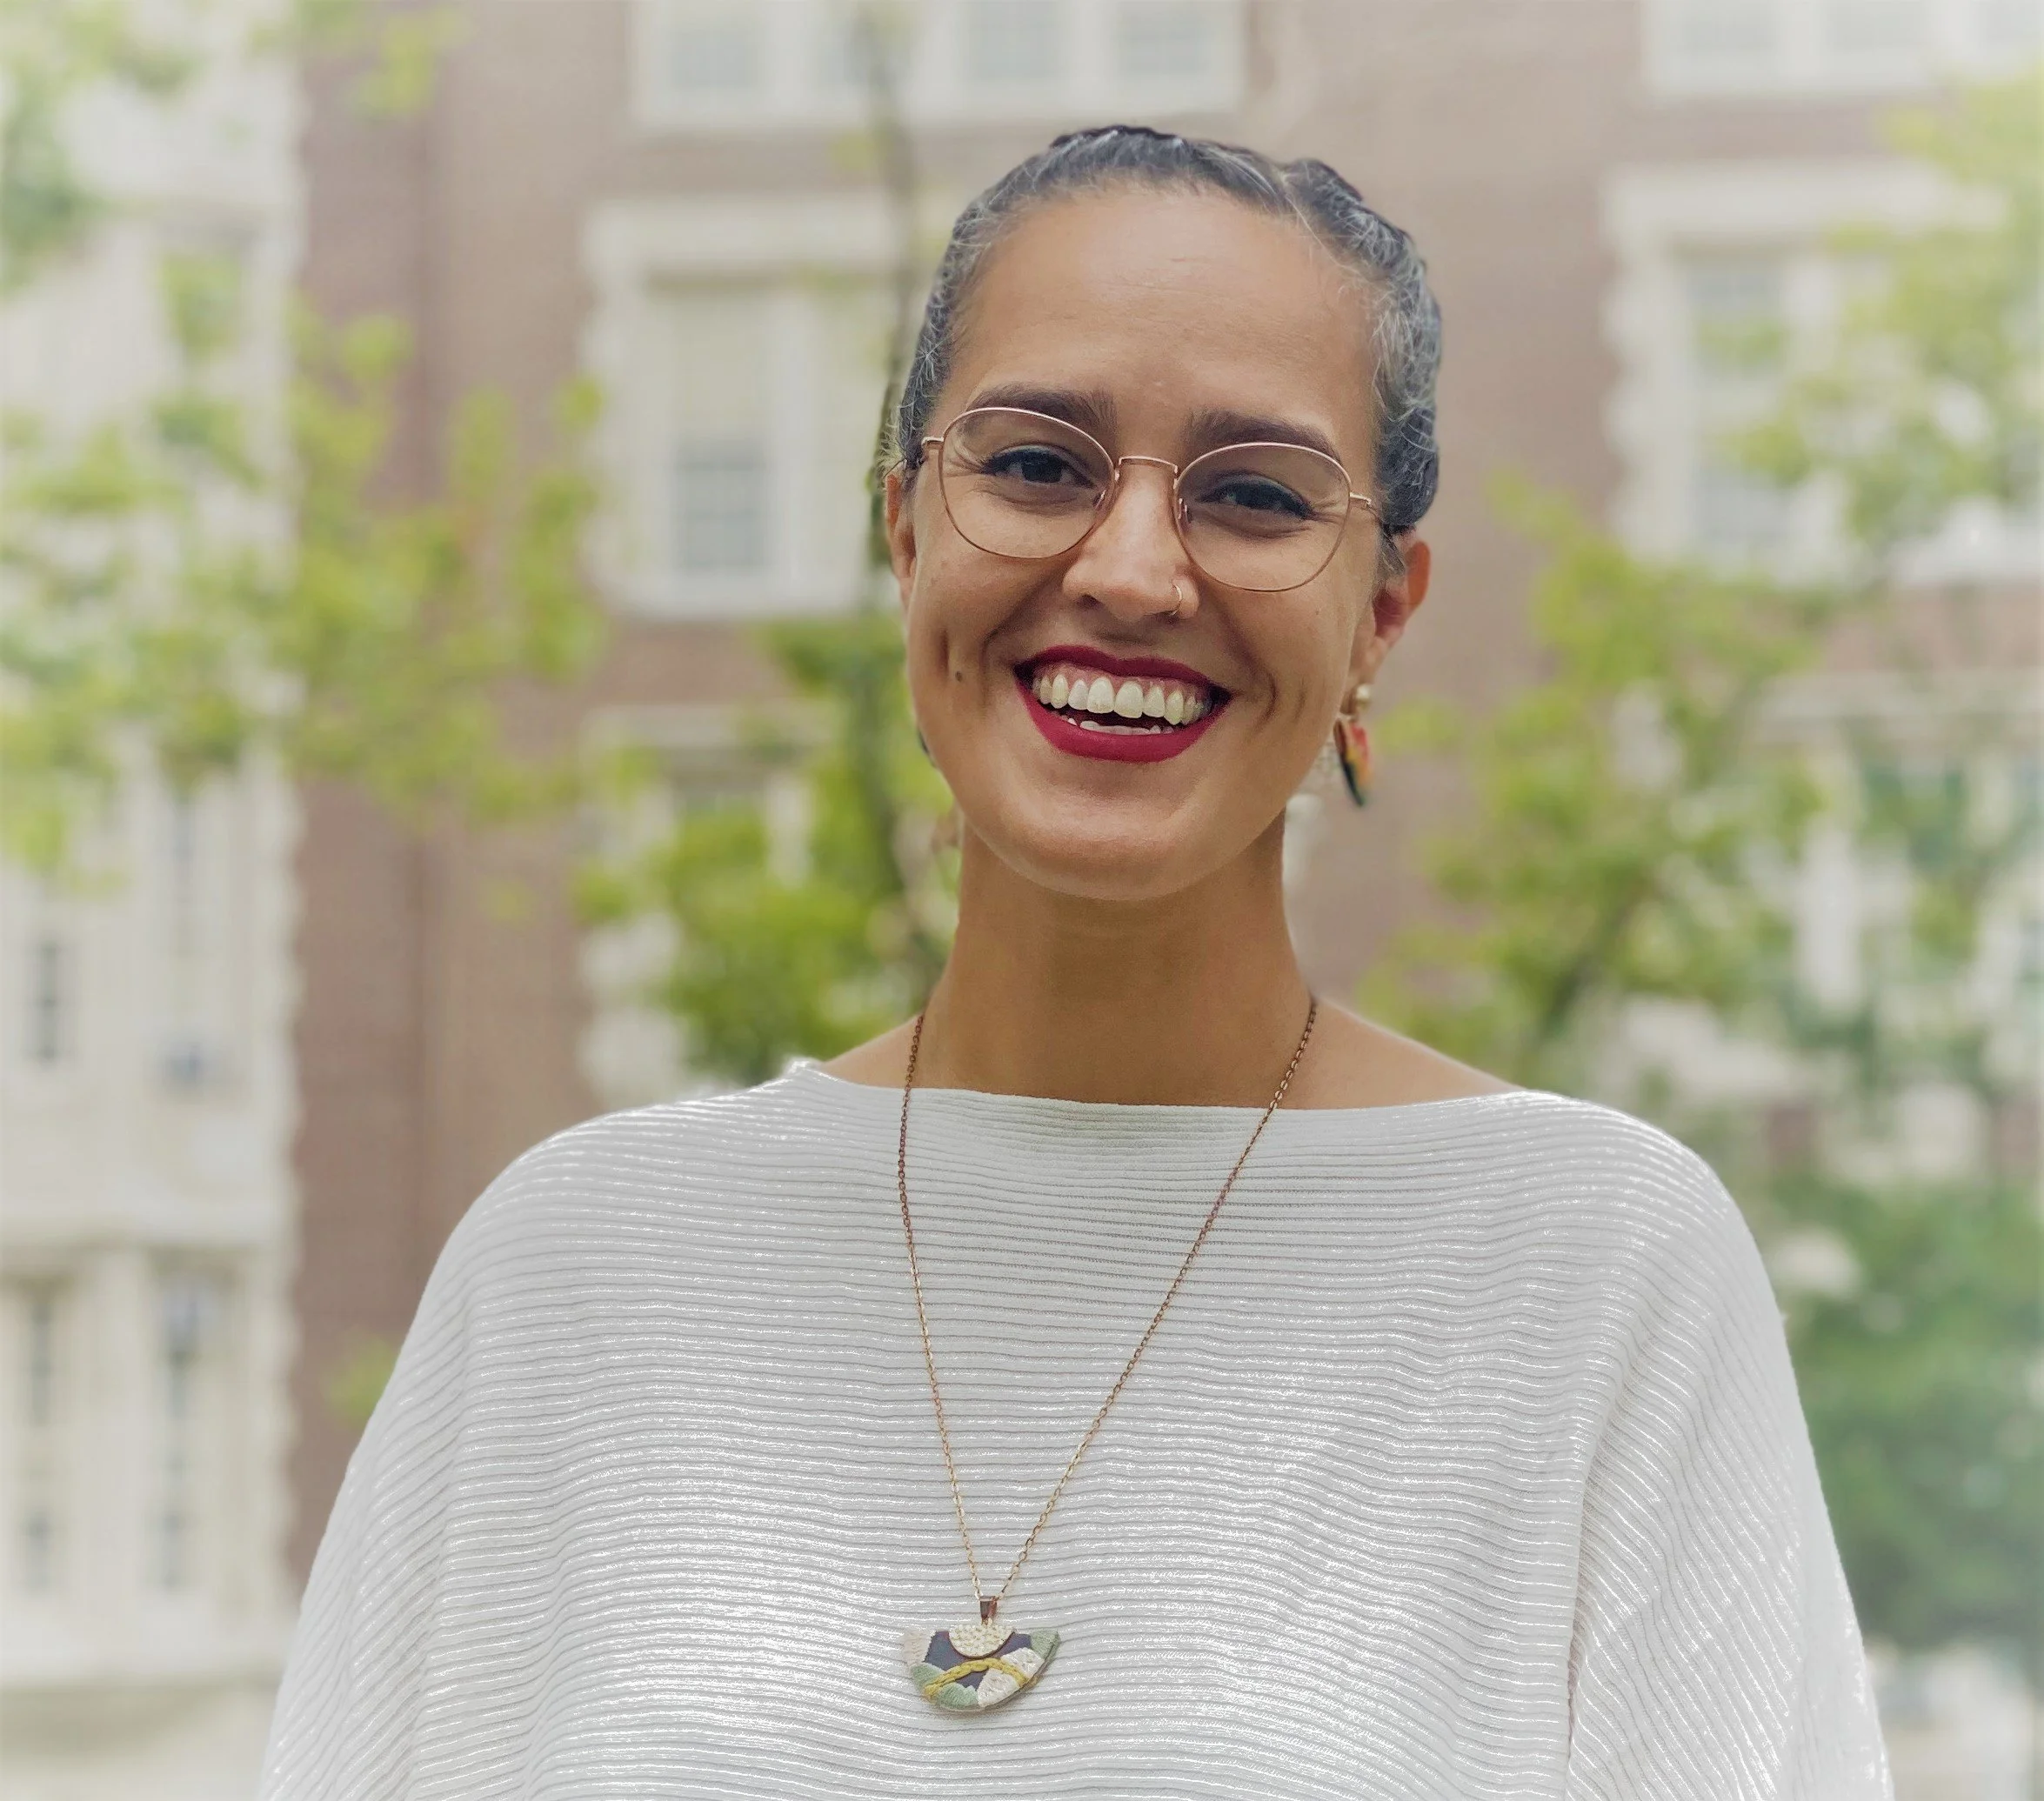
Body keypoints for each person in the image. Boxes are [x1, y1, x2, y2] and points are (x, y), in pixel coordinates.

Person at [261, 127, 1891, 1799]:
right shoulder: (576, 1264)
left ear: (1383, 613)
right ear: (906, 530)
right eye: (1036, 465)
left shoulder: (1595, 1265)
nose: (1126, 570)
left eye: (1254, 494)